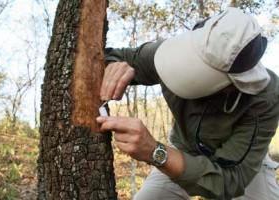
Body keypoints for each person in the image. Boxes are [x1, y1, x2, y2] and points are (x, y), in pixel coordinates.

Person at [96, 7, 279, 200]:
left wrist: (154, 151)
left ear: (239, 83)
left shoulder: (266, 98)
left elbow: (231, 180)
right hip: (183, 151)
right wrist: (114, 65)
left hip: (239, 166)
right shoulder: (167, 54)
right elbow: (116, 56)